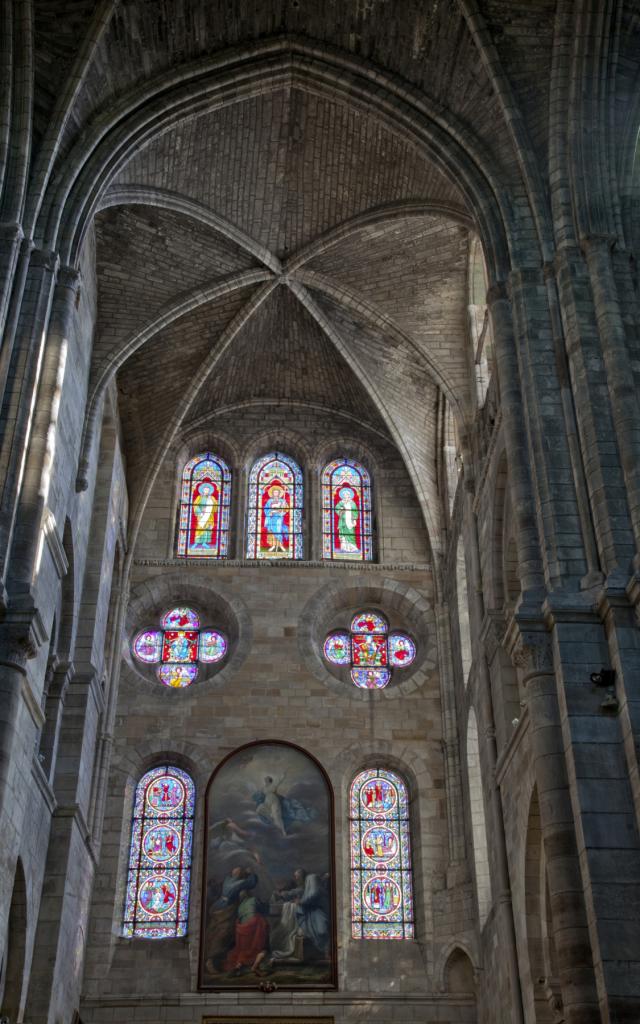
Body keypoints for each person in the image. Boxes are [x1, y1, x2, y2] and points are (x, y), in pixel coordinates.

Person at [203, 866, 257, 975]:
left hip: (217, 906)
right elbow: (252, 883)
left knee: (214, 931)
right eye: (240, 873)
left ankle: (218, 960)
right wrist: (251, 873)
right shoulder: (239, 884)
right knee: (223, 934)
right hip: (226, 909)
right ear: (240, 876)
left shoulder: (228, 879)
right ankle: (211, 961)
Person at [223, 889, 269, 975]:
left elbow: (240, 919)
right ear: (249, 894)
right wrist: (266, 904)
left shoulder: (240, 906)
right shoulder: (253, 899)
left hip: (242, 930)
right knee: (261, 922)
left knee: (246, 950)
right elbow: (263, 909)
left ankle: (238, 966)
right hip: (254, 927)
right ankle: (255, 965)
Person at [191, 480, 219, 551]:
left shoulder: (212, 498)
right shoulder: (199, 497)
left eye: (208, 490)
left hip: (209, 516)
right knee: (200, 528)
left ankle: (204, 542)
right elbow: (195, 505)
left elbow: (216, 506)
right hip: (201, 516)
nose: (206, 491)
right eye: (205, 490)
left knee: (207, 529)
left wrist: (212, 501)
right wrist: (200, 511)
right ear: (202, 490)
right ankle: (196, 542)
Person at [263, 484, 288, 553]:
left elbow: (286, 509)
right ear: (272, 493)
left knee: (278, 530)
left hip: (279, 518)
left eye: (277, 492)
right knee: (271, 531)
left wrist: (282, 509)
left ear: (279, 493)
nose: (275, 493)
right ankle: (273, 545)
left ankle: (280, 545)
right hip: (271, 518)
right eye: (274, 492)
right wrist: (269, 512)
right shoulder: (269, 501)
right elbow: (265, 509)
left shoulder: (282, 501)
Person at [335, 485, 359, 554]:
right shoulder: (341, 502)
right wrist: (341, 510)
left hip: (350, 520)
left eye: (347, 495)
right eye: (344, 495)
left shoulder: (352, 503)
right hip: (343, 520)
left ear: (349, 496)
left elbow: (355, 511)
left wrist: (354, 519)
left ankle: (352, 548)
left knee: (351, 533)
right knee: (343, 533)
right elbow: (337, 508)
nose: (346, 496)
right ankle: (344, 548)